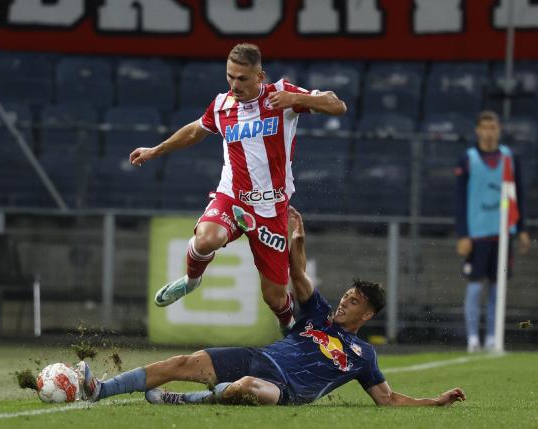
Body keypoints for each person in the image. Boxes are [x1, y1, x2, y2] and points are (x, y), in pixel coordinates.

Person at [77, 207, 466, 407]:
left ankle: (189, 399)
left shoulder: (363, 356)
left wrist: (435, 401)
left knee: (245, 388)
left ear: (368, 316)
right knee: (182, 363)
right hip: (257, 357)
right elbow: (297, 276)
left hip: (284, 389)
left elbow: (387, 399)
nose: (346, 302)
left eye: (355, 302)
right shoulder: (319, 314)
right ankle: (101, 389)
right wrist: (298, 238)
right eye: (347, 296)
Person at [129, 43, 346, 331]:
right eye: (230, 76)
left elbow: (337, 105)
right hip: (232, 198)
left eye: (242, 78)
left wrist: (294, 97)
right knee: (206, 239)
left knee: (274, 296)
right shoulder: (222, 104)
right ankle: (192, 281)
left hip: (270, 207)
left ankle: (290, 328)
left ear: (260, 76)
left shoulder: (282, 95)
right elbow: (196, 130)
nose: (234, 84)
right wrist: (155, 150)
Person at [455, 110, 531, 353]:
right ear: (477, 130)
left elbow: (518, 194)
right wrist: (462, 234)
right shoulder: (468, 158)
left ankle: (492, 338)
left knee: (498, 288)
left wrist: (522, 230)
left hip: (502, 232)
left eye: (493, 127)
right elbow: (459, 198)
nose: (489, 132)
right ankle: (473, 339)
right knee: (476, 286)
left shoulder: (510, 157)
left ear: (498, 129)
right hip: (476, 233)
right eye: (484, 127)